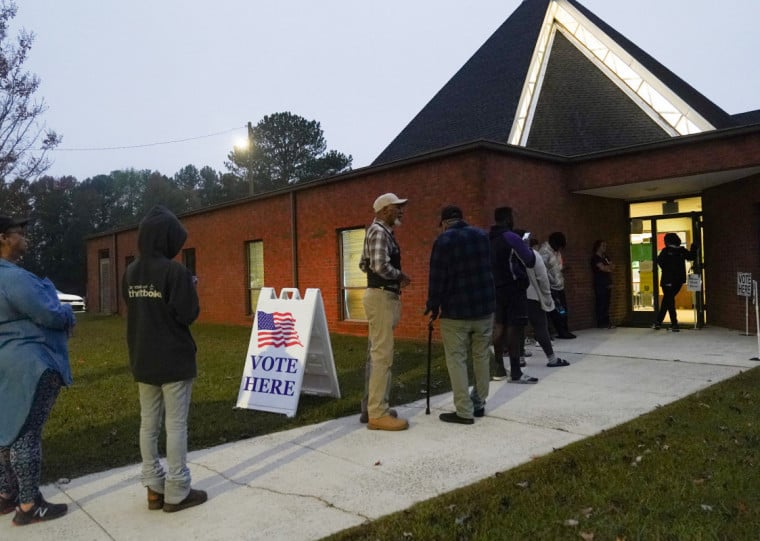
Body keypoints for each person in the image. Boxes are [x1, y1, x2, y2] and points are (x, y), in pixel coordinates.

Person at [122, 205, 207, 513]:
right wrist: (191, 289)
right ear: (166, 238)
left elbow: (136, 308)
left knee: (148, 425)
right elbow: (188, 313)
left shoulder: (131, 271)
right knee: (176, 425)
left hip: (143, 357)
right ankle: (177, 489)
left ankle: (153, 488)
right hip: (174, 359)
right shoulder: (175, 271)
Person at [0, 215, 75, 525]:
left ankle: (6, 495)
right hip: (30, 364)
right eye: (20, 233)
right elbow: (49, 314)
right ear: (3, 238)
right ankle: (30, 506)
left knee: (6, 429)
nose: (25, 238)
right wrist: (67, 311)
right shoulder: (15, 278)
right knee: (26, 433)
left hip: (4, 361)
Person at [426, 205, 495, 423]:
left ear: (445, 223)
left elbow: (437, 277)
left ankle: (464, 411)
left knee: (457, 359)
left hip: (456, 311)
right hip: (484, 308)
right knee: (482, 356)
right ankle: (479, 403)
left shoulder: (443, 241)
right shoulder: (482, 236)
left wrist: (433, 306)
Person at [359, 193, 411, 431]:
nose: (401, 211)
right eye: (396, 207)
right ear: (382, 210)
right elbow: (379, 266)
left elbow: (364, 264)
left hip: (378, 295)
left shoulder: (375, 231)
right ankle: (377, 413)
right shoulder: (380, 232)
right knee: (382, 356)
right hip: (382, 295)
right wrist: (400, 276)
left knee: (376, 354)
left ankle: (372, 407)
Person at [488, 207, 538, 384]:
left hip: (495, 288)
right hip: (514, 287)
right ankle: (516, 371)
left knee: (499, 326)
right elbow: (529, 260)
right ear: (508, 218)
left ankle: (499, 368)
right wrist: (526, 246)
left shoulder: (489, 238)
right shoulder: (511, 237)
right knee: (514, 328)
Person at [520, 233, 569, 367]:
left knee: (518, 327)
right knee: (540, 326)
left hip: (516, 297)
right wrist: (547, 297)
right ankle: (552, 358)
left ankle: (519, 358)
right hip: (533, 296)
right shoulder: (533, 255)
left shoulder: (509, 256)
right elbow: (542, 277)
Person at [653, 232, 695, 332]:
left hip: (667, 280)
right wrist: (694, 247)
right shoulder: (681, 250)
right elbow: (691, 257)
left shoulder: (665, 251)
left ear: (667, 241)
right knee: (668, 300)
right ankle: (661, 322)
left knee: (668, 300)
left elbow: (659, 261)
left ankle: (672, 324)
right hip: (678, 280)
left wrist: (667, 270)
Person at [540, 232, 576, 339]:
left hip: (559, 285)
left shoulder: (557, 252)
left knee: (563, 309)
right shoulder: (544, 252)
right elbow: (542, 270)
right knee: (556, 311)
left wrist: (563, 269)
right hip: (551, 287)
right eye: (559, 246)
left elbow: (556, 268)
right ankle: (560, 331)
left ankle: (564, 330)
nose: (559, 249)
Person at [591, 240, 615, 328]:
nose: (605, 247)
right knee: (601, 302)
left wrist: (607, 268)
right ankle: (601, 323)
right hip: (600, 283)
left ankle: (607, 321)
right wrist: (607, 268)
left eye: (605, 245)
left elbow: (612, 267)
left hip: (607, 282)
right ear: (598, 247)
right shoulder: (595, 258)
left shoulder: (606, 257)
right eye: (603, 245)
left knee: (607, 303)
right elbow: (603, 268)